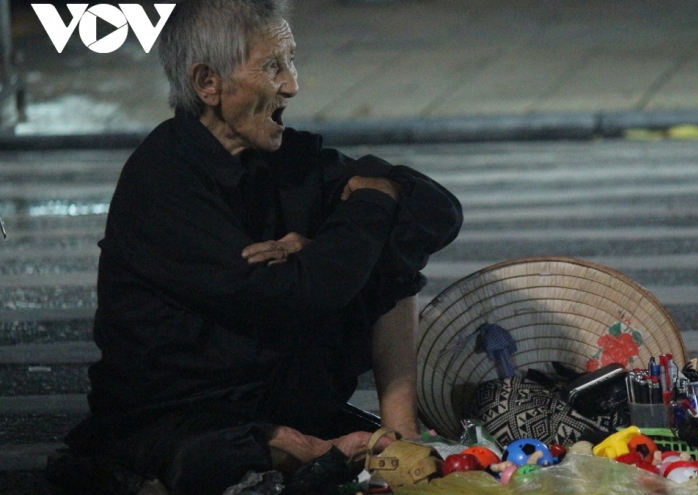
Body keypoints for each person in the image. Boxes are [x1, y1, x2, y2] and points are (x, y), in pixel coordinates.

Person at [49, 0, 463, 493]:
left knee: (388, 250)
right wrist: (357, 219)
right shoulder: (164, 181)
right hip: (182, 413)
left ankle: (399, 432)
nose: (292, 84)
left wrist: (343, 227)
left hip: (280, 394)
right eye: (272, 66)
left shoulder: (286, 157)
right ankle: (304, 448)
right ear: (208, 83)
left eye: (290, 61)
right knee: (206, 460)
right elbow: (307, 293)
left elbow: (438, 211)